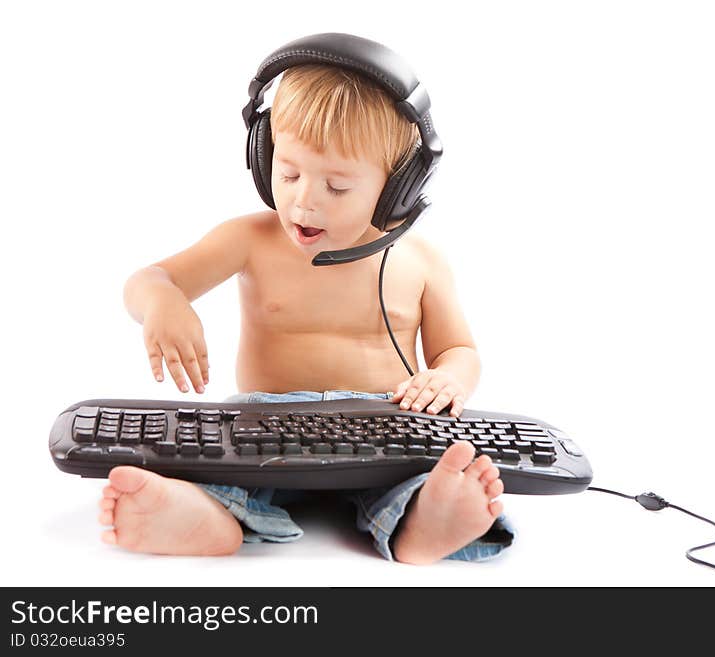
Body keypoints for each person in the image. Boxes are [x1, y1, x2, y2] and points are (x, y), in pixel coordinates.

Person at [97, 57, 516, 564]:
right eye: (289, 172)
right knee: (209, 459)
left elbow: (458, 349)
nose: (303, 201)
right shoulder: (249, 239)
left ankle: (424, 521)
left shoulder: (420, 260)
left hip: (383, 421)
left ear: (396, 187)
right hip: (266, 422)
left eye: (337, 187)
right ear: (262, 156)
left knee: (425, 471)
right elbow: (148, 280)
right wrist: (163, 301)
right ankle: (204, 517)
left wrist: (449, 378)